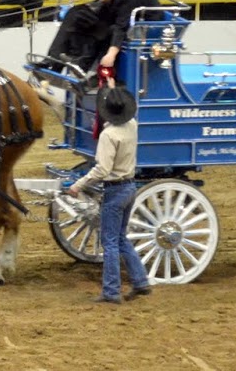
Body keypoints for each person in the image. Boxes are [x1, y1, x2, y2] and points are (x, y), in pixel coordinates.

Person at [67, 83, 151, 305]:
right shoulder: (132, 125)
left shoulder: (109, 135)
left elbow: (102, 169)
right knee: (121, 238)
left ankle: (111, 291)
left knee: (110, 242)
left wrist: (79, 185)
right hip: (129, 186)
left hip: (114, 190)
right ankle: (140, 281)